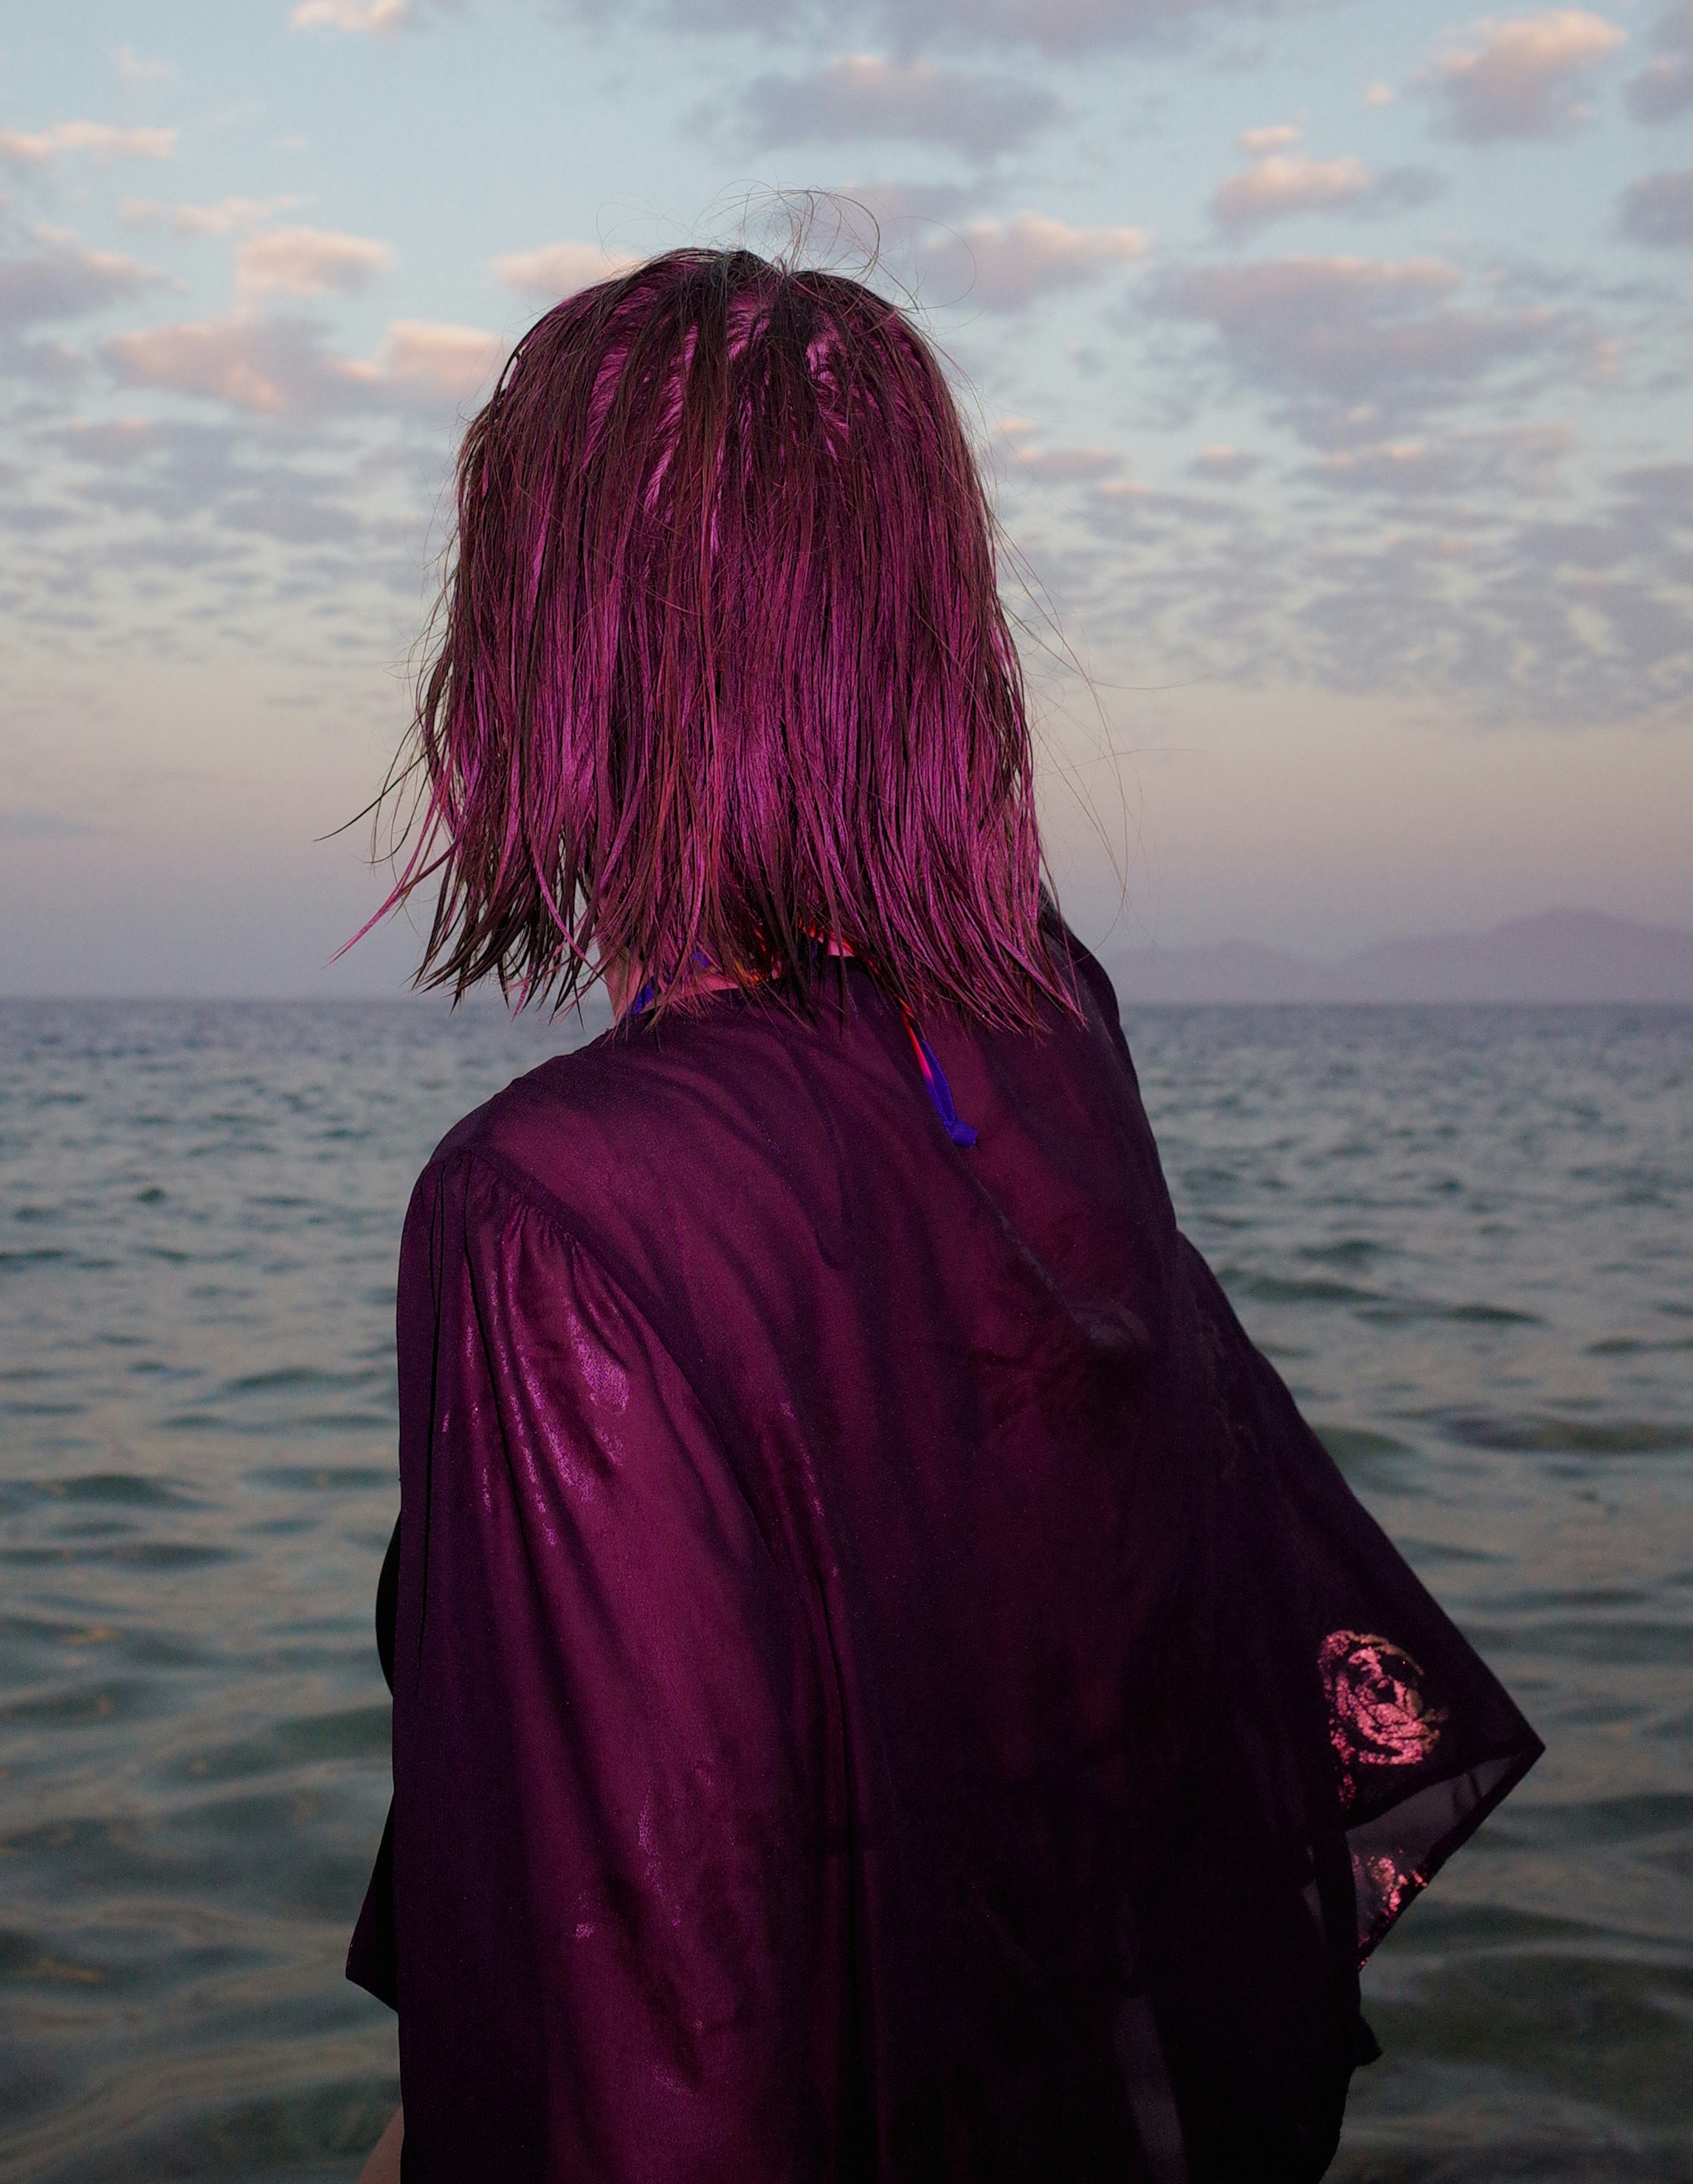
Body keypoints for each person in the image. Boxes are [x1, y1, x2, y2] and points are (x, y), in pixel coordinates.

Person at [345, 247, 1539, 2183]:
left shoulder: (555, 1216)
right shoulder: (1048, 1046)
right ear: (918, 630)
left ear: (563, 640)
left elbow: (661, 2044)